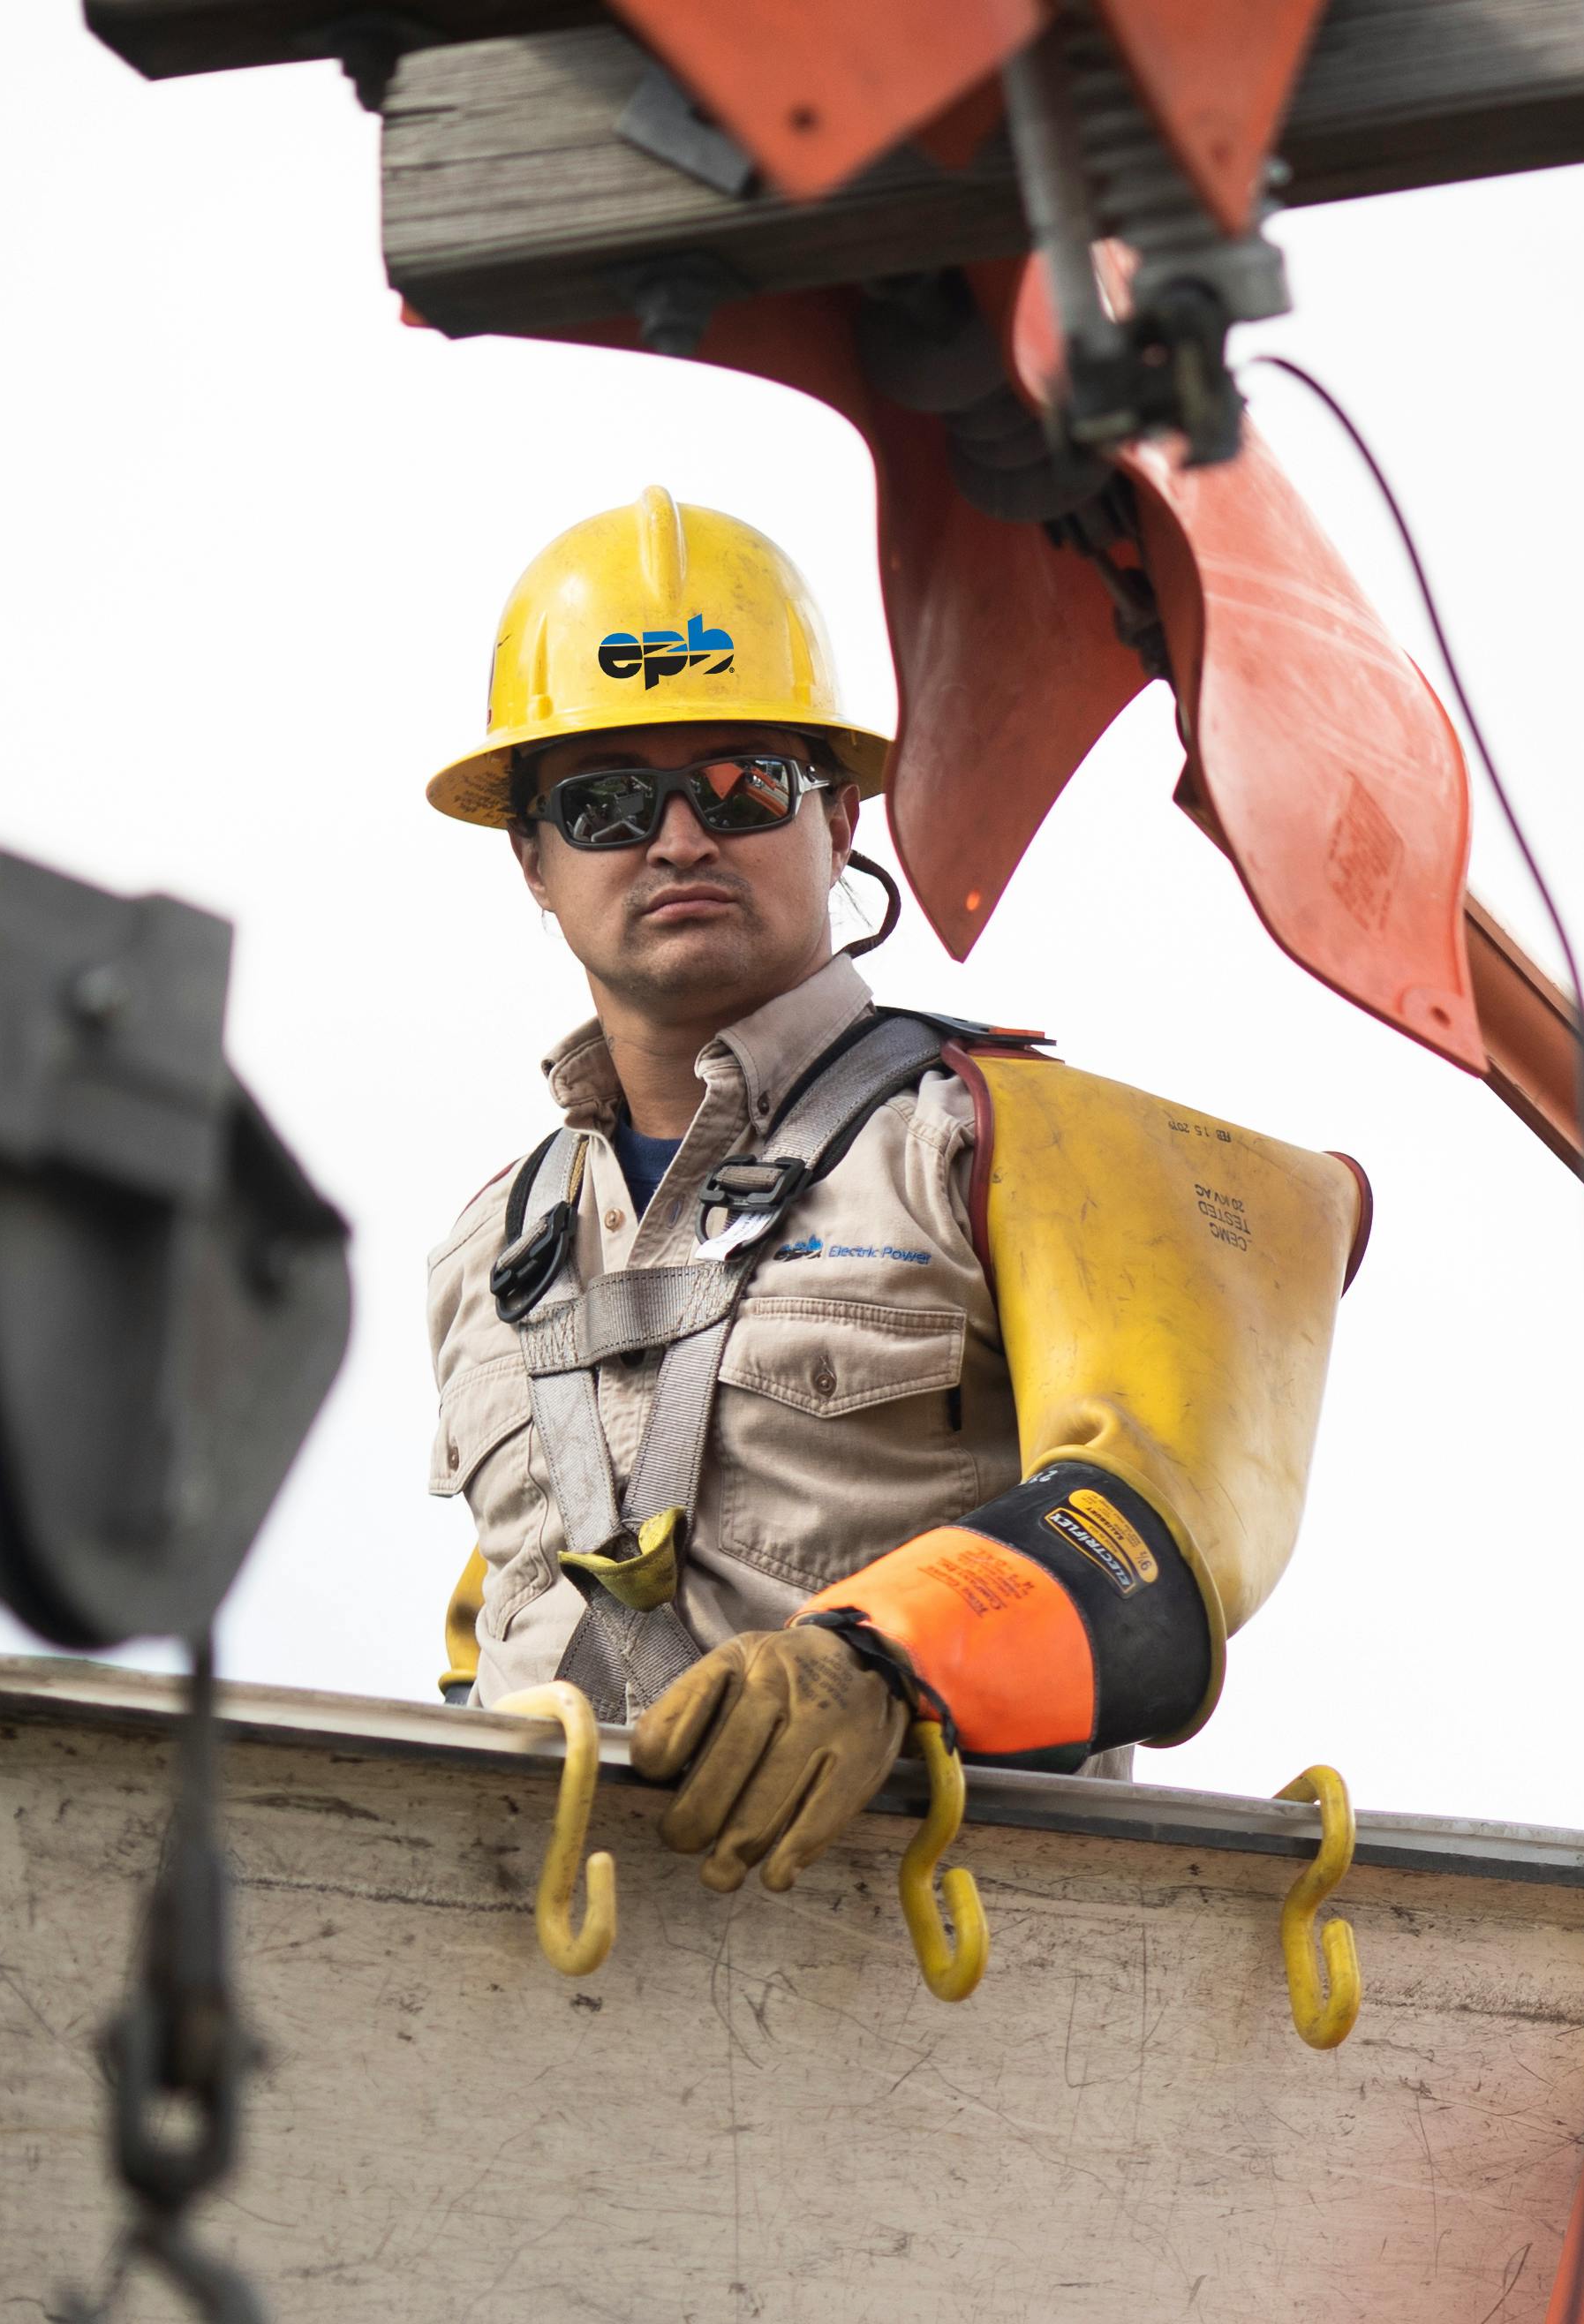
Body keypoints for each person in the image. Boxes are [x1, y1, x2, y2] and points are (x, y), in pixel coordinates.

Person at [423, 488, 1368, 1898]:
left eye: (743, 783)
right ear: (534, 863)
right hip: (552, 1959)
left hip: (937, 1960)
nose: (679, 838)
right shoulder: (495, 1249)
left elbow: (1158, 1529)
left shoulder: (1009, 1144)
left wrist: (881, 1666)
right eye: (605, 803)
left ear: (840, 815)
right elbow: (488, 1633)